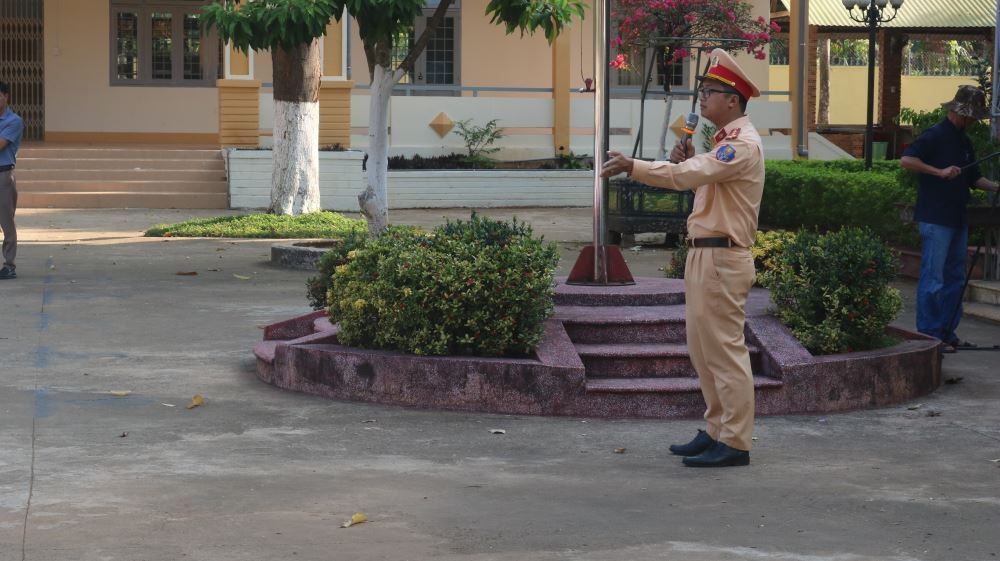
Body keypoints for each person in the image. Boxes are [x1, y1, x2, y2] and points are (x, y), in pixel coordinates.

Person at [601, 49, 764, 468]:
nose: (702, 99)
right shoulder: (722, 145)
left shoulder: (741, 146)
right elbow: (700, 180)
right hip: (705, 257)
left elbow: (685, 178)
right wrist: (690, 160)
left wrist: (634, 166)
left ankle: (736, 442)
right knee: (703, 350)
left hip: (723, 259)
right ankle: (716, 430)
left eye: (709, 92)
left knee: (725, 352)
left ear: (733, 100)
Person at [900, 85, 999, 353]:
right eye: (970, 116)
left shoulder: (964, 141)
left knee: (955, 278)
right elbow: (907, 160)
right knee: (934, 278)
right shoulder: (935, 134)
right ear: (958, 112)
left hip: (957, 219)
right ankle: (929, 336)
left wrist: (995, 186)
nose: (972, 121)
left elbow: (974, 177)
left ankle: (947, 331)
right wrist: (938, 171)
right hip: (935, 219)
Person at [0, 79, 22, 280]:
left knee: (6, 222)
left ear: (6, 96)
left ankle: (9, 265)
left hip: (3, 175)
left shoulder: (13, 121)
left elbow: (1, 144)